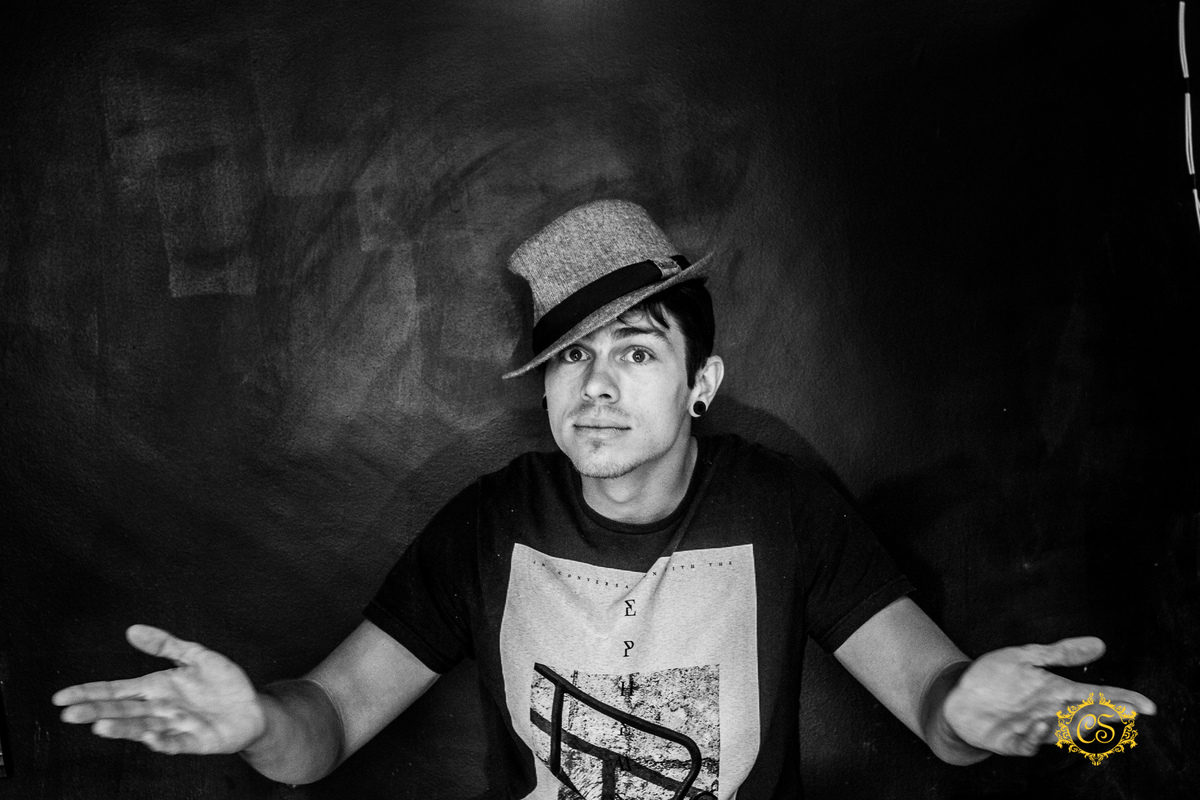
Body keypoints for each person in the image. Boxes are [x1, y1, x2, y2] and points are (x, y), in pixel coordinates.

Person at [53, 200, 1156, 798]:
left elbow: (934, 704)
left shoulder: (784, 510)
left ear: (700, 383)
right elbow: (328, 727)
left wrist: (970, 713)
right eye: (571, 358)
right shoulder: (490, 525)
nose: (595, 386)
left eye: (634, 350)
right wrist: (259, 724)